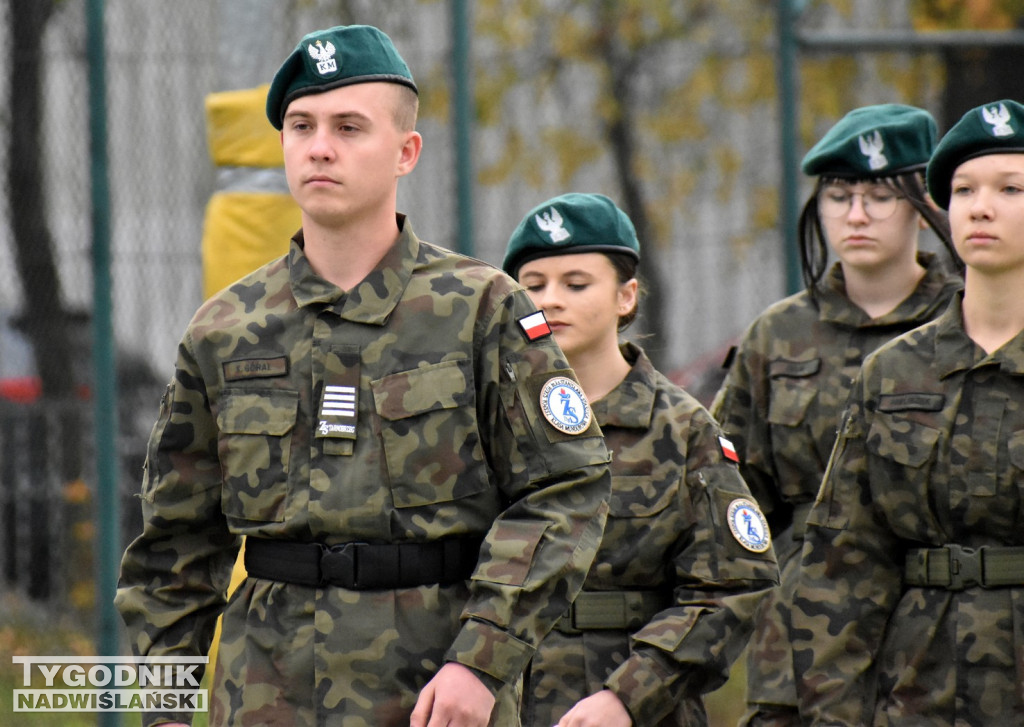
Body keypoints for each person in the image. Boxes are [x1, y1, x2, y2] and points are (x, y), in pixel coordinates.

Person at [115, 25, 613, 727]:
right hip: (265, 694)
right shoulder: (225, 330)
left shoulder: (480, 310)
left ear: (406, 151)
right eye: (302, 125)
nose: (320, 146)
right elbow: (175, 541)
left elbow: (567, 487)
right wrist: (165, 708)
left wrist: (482, 659)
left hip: (436, 694)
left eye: (350, 126)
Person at [710, 104, 962, 726]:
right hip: (800, 643)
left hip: (943, 636)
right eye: (838, 195)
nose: (855, 214)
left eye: (879, 195)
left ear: (923, 208)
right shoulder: (778, 336)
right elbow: (729, 496)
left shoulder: (966, 324)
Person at [501, 193, 780, 727]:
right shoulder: (494, 420)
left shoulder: (680, 428)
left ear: (626, 296)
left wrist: (630, 695)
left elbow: (734, 583)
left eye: (576, 284)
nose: (551, 300)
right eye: (533, 286)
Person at [790, 97, 1024, 725]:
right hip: (920, 696)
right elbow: (842, 567)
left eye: (1011, 188)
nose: (980, 206)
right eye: (963, 189)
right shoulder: (894, 374)